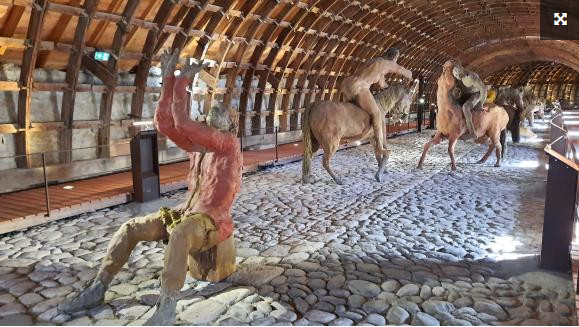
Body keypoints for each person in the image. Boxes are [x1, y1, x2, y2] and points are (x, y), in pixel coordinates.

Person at [57, 48, 242, 325]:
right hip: (188, 212)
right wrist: (168, 77)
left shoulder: (228, 144)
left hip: (214, 222)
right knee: (130, 228)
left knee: (179, 234)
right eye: (214, 112)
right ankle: (99, 286)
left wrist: (181, 81)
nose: (217, 113)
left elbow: (182, 121)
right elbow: (165, 123)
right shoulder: (199, 147)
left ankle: (167, 305)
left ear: (231, 123)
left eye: (223, 113)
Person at [340, 48, 413, 155]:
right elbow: (400, 69)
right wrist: (410, 75)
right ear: (394, 57)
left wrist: (390, 88)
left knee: (352, 114)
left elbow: (383, 85)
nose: (396, 60)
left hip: (346, 83)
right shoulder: (386, 63)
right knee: (377, 114)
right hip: (360, 86)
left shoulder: (374, 62)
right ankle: (379, 147)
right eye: (397, 58)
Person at [451, 62, 487, 137]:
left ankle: (472, 132)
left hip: (476, 94)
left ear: (461, 71)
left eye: (457, 74)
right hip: (465, 95)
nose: (457, 77)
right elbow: (458, 87)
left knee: (465, 107)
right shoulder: (458, 78)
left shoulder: (471, 77)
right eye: (455, 75)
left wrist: (481, 103)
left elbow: (483, 89)